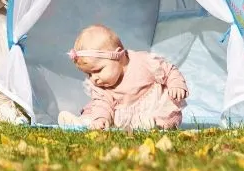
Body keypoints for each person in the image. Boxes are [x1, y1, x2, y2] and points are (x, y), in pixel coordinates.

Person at [57, 24, 188, 131]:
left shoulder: (143, 62)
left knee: (168, 114)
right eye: (89, 74)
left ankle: (155, 124)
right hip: (121, 114)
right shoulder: (101, 86)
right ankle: (84, 122)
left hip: (152, 108)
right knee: (96, 108)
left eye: (98, 70)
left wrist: (176, 84)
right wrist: (101, 118)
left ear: (119, 56)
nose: (94, 79)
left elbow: (169, 70)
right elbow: (103, 104)